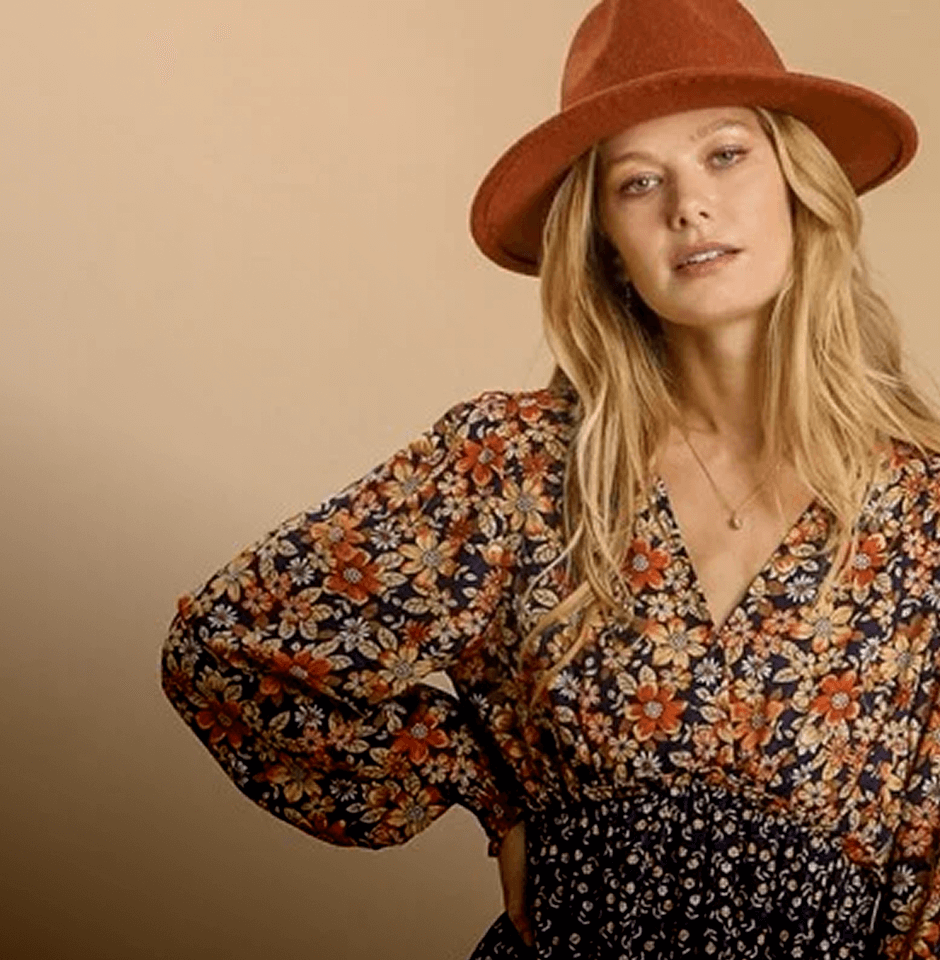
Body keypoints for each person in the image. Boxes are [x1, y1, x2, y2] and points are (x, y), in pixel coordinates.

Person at [161, 0, 940, 956]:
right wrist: (485, 788)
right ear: (605, 242)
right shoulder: (514, 465)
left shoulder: (920, 516)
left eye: (726, 155)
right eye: (638, 182)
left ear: (798, 183)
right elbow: (232, 644)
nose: (688, 205)